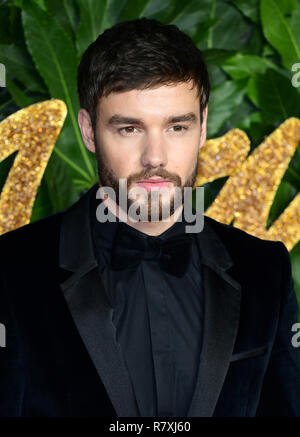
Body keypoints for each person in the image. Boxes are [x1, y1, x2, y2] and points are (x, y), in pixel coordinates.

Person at [0, 17, 299, 418]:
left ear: (203, 126)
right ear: (88, 131)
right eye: (129, 129)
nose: (155, 157)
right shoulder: (12, 269)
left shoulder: (264, 269)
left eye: (177, 127)